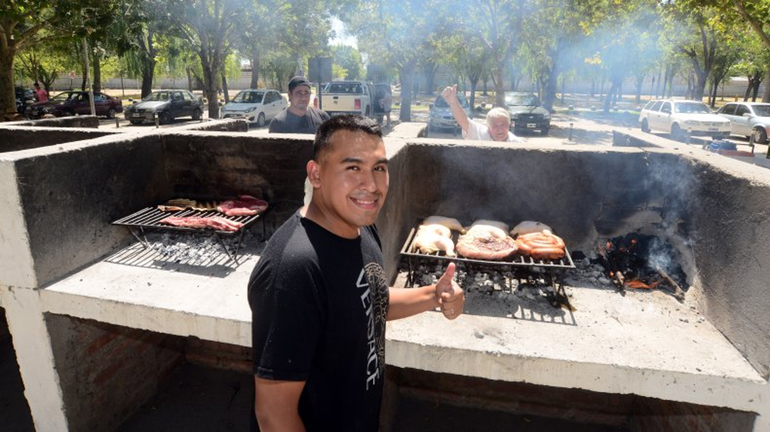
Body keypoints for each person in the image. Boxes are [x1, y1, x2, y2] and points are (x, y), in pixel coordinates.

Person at [249, 115, 465, 431]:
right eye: (353, 168)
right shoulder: (294, 270)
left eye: (378, 168)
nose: (372, 185)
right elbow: (273, 415)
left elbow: (367, 304)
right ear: (316, 174)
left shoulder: (360, 229)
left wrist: (434, 294)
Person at [442, 84, 523, 142]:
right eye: (495, 125)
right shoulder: (479, 132)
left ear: (509, 125)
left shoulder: (517, 144)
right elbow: (463, 120)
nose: (500, 129)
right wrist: (453, 101)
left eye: (503, 125)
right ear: (488, 127)